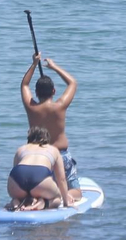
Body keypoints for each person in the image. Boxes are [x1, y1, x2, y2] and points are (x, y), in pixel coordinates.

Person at [20, 53, 81, 201]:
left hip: (38, 157)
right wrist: (54, 67)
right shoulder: (60, 106)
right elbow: (72, 83)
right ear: (53, 91)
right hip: (61, 156)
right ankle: (63, 195)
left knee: (39, 190)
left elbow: (24, 85)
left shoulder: (31, 108)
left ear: (36, 93)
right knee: (77, 193)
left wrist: (34, 64)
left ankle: (44, 196)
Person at [5, 126, 73, 211]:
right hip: (40, 175)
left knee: (19, 196)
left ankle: (16, 202)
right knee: (57, 198)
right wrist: (66, 203)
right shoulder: (53, 150)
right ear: (46, 138)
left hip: (17, 177)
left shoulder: (21, 149)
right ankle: (42, 204)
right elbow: (61, 179)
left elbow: (16, 170)